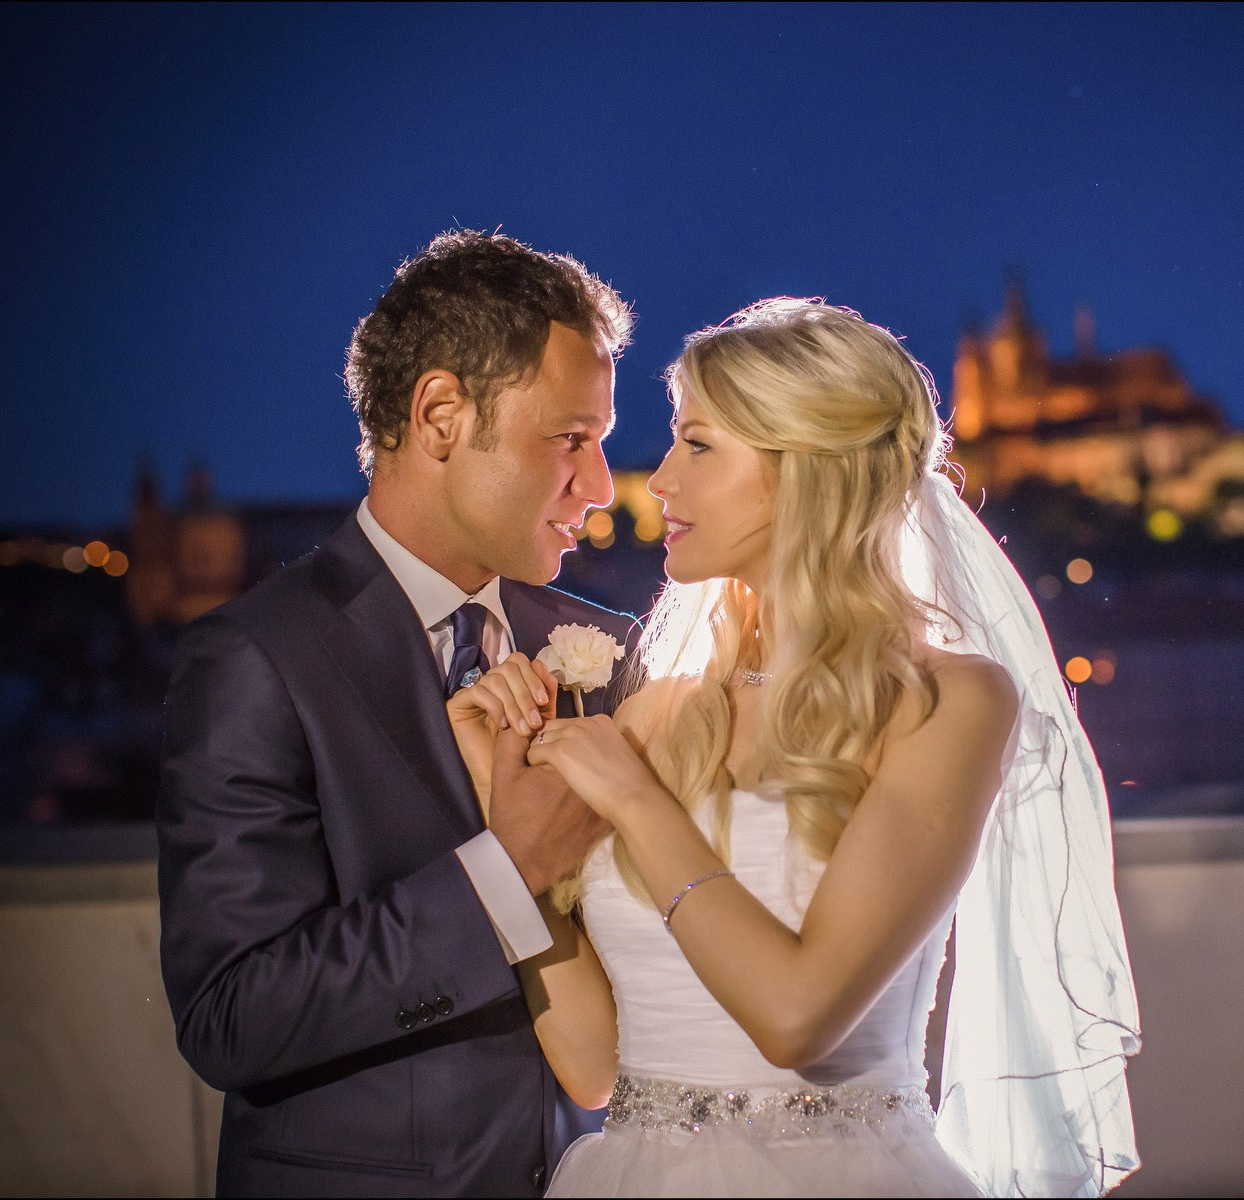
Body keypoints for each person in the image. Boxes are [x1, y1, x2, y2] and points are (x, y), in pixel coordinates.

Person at [447, 299, 1141, 1197]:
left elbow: (796, 1018)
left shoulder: (948, 703)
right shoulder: (658, 715)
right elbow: (592, 1065)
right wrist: (496, 803)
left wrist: (638, 802)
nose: (659, 481)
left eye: (698, 446)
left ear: (804, 471)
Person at [157, 230, 638, 1196]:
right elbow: (232, 1016)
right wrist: (509, 875)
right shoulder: (256, 658)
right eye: (570, 439)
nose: (597, 488)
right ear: (441, 416)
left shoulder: (609, 650)